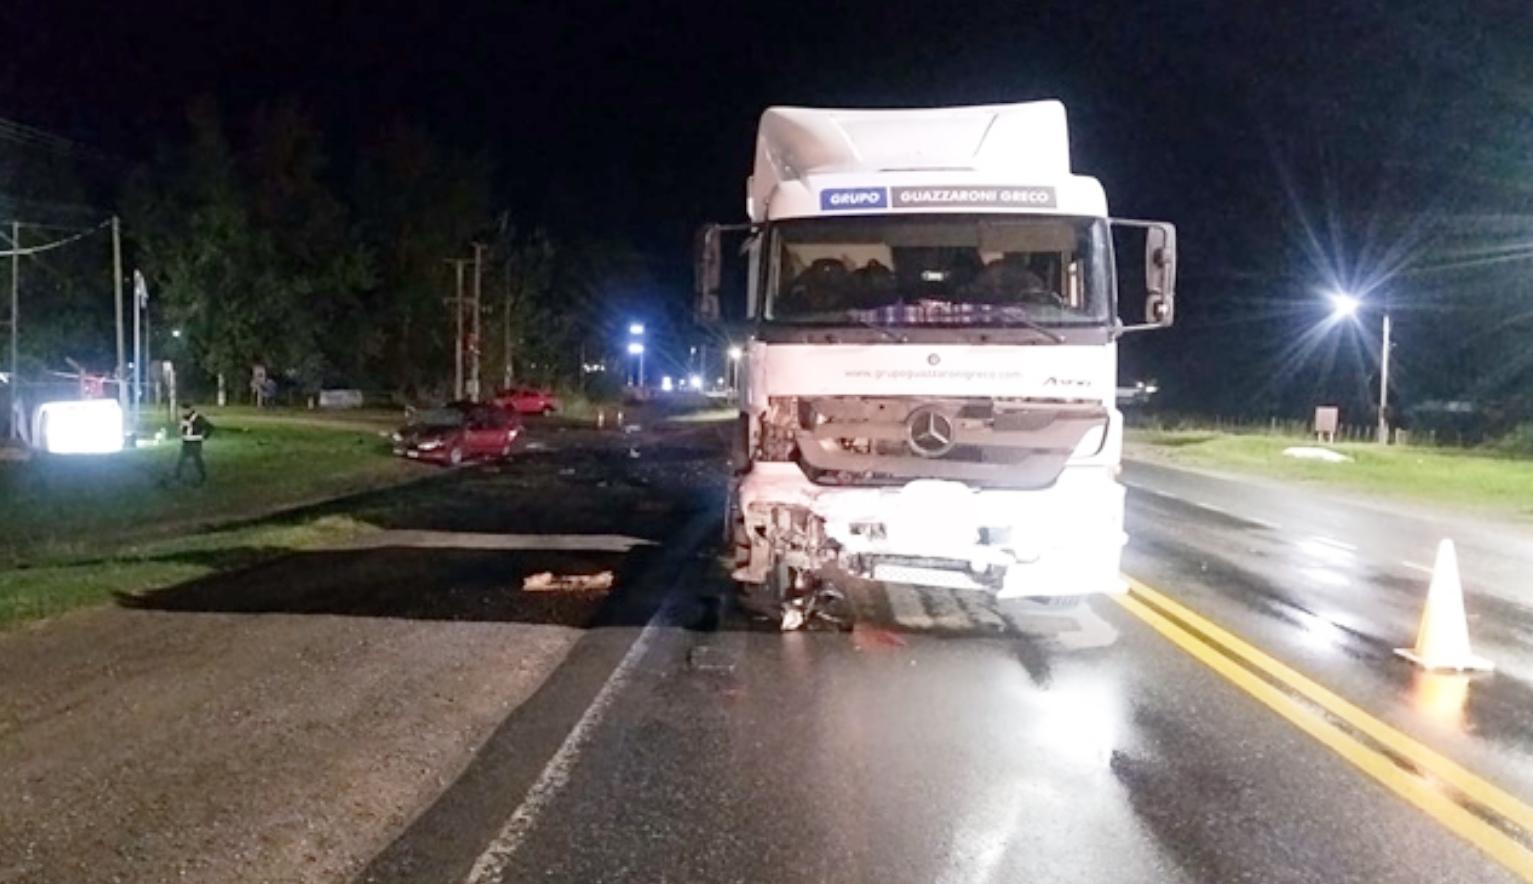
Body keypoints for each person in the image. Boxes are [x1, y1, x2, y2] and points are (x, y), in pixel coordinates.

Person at [175, 403, 213, 485]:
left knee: (197, 460)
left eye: (183, 410)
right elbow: (183, 429)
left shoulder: (197, 418)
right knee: (181, 460)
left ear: (188, 410)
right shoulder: (184, 418)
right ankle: (177, 476)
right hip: (186, 443)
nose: (181, 412)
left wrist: (205, 436)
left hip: (195, 443)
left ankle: (203, 476)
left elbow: (210, 427)